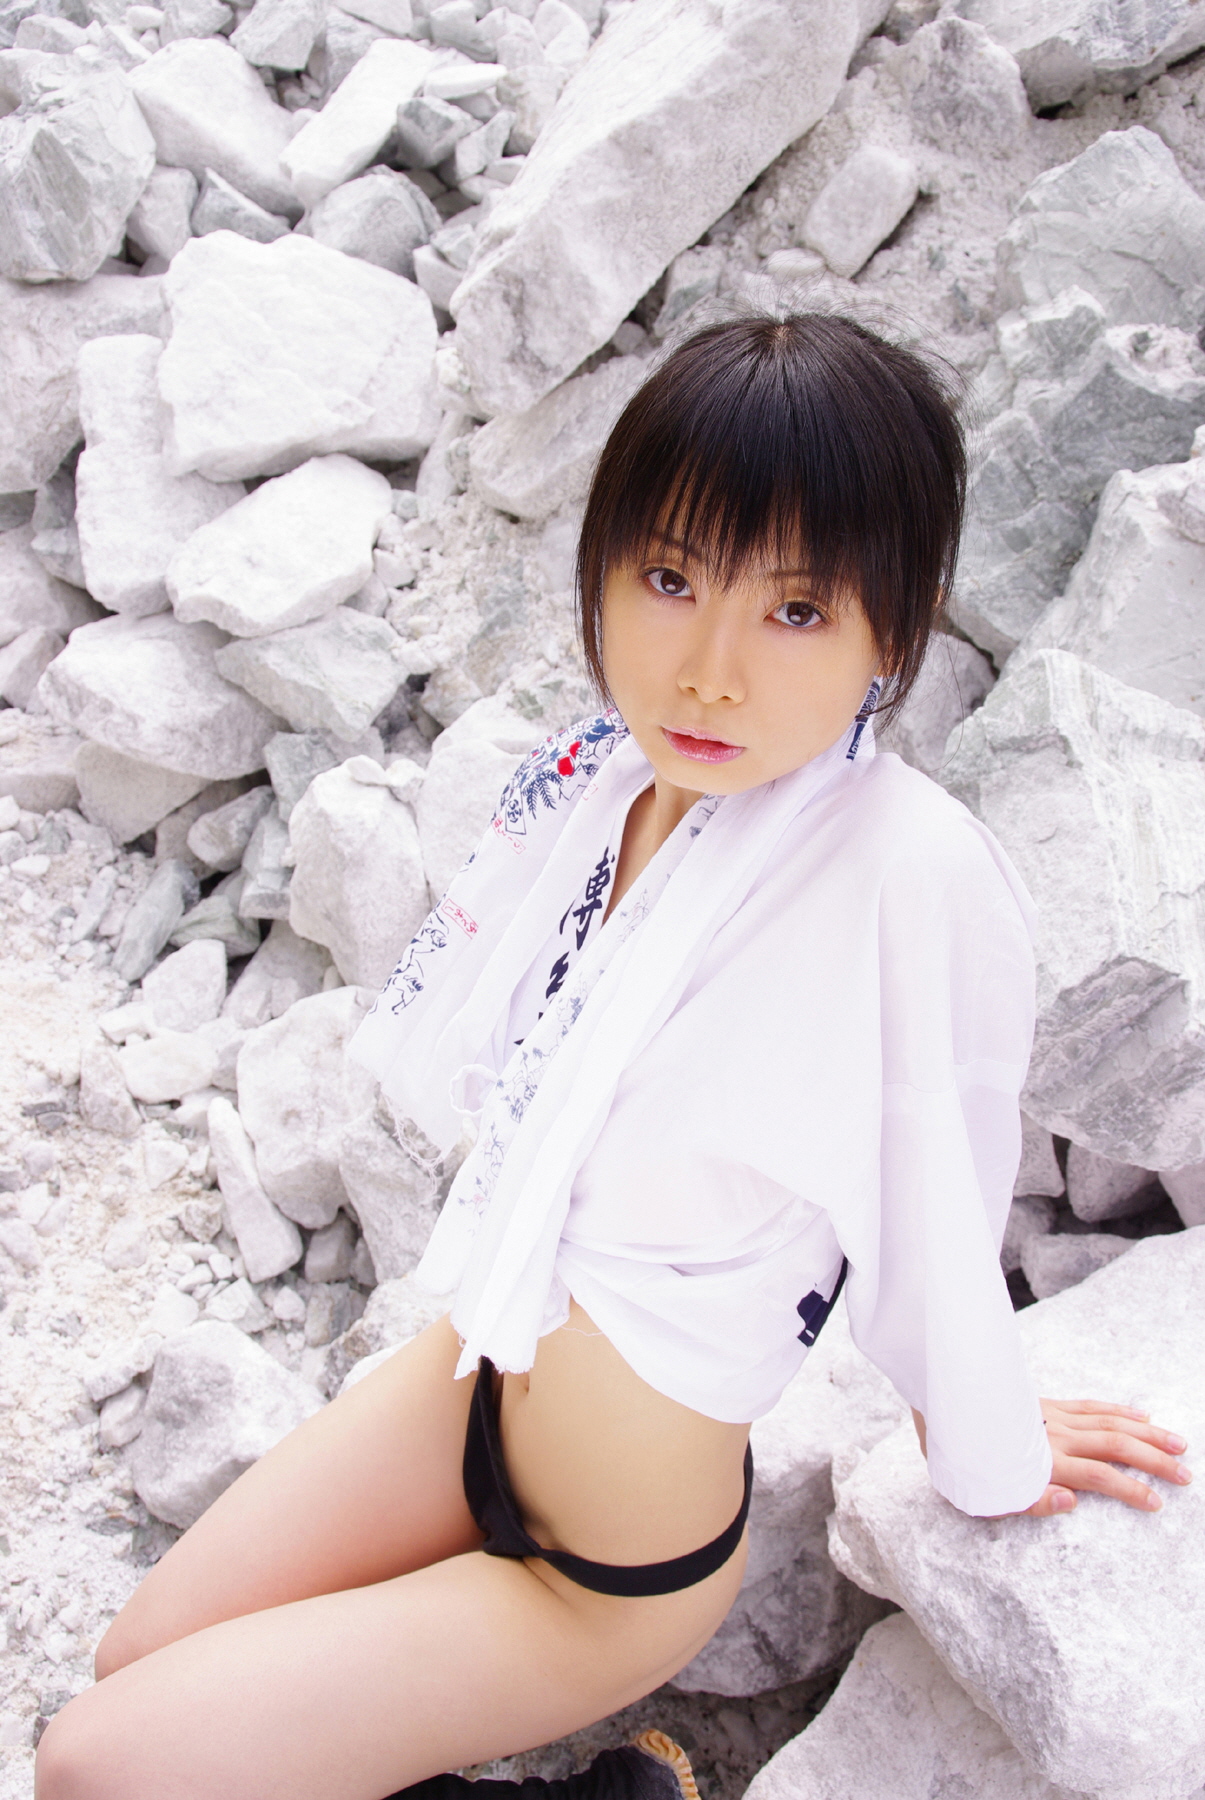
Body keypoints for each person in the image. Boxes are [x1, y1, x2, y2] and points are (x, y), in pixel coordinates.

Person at [35, 315, 1191, 1800]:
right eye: (670, 580)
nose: (707, 672)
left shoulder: (904, 871)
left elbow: (934, 1205)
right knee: (134, 1662)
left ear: (893, 632)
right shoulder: (606, 777)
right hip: (473, 1377)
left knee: (93, 1768)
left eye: (795, 611)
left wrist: (990, 1445)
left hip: (605, 1561)